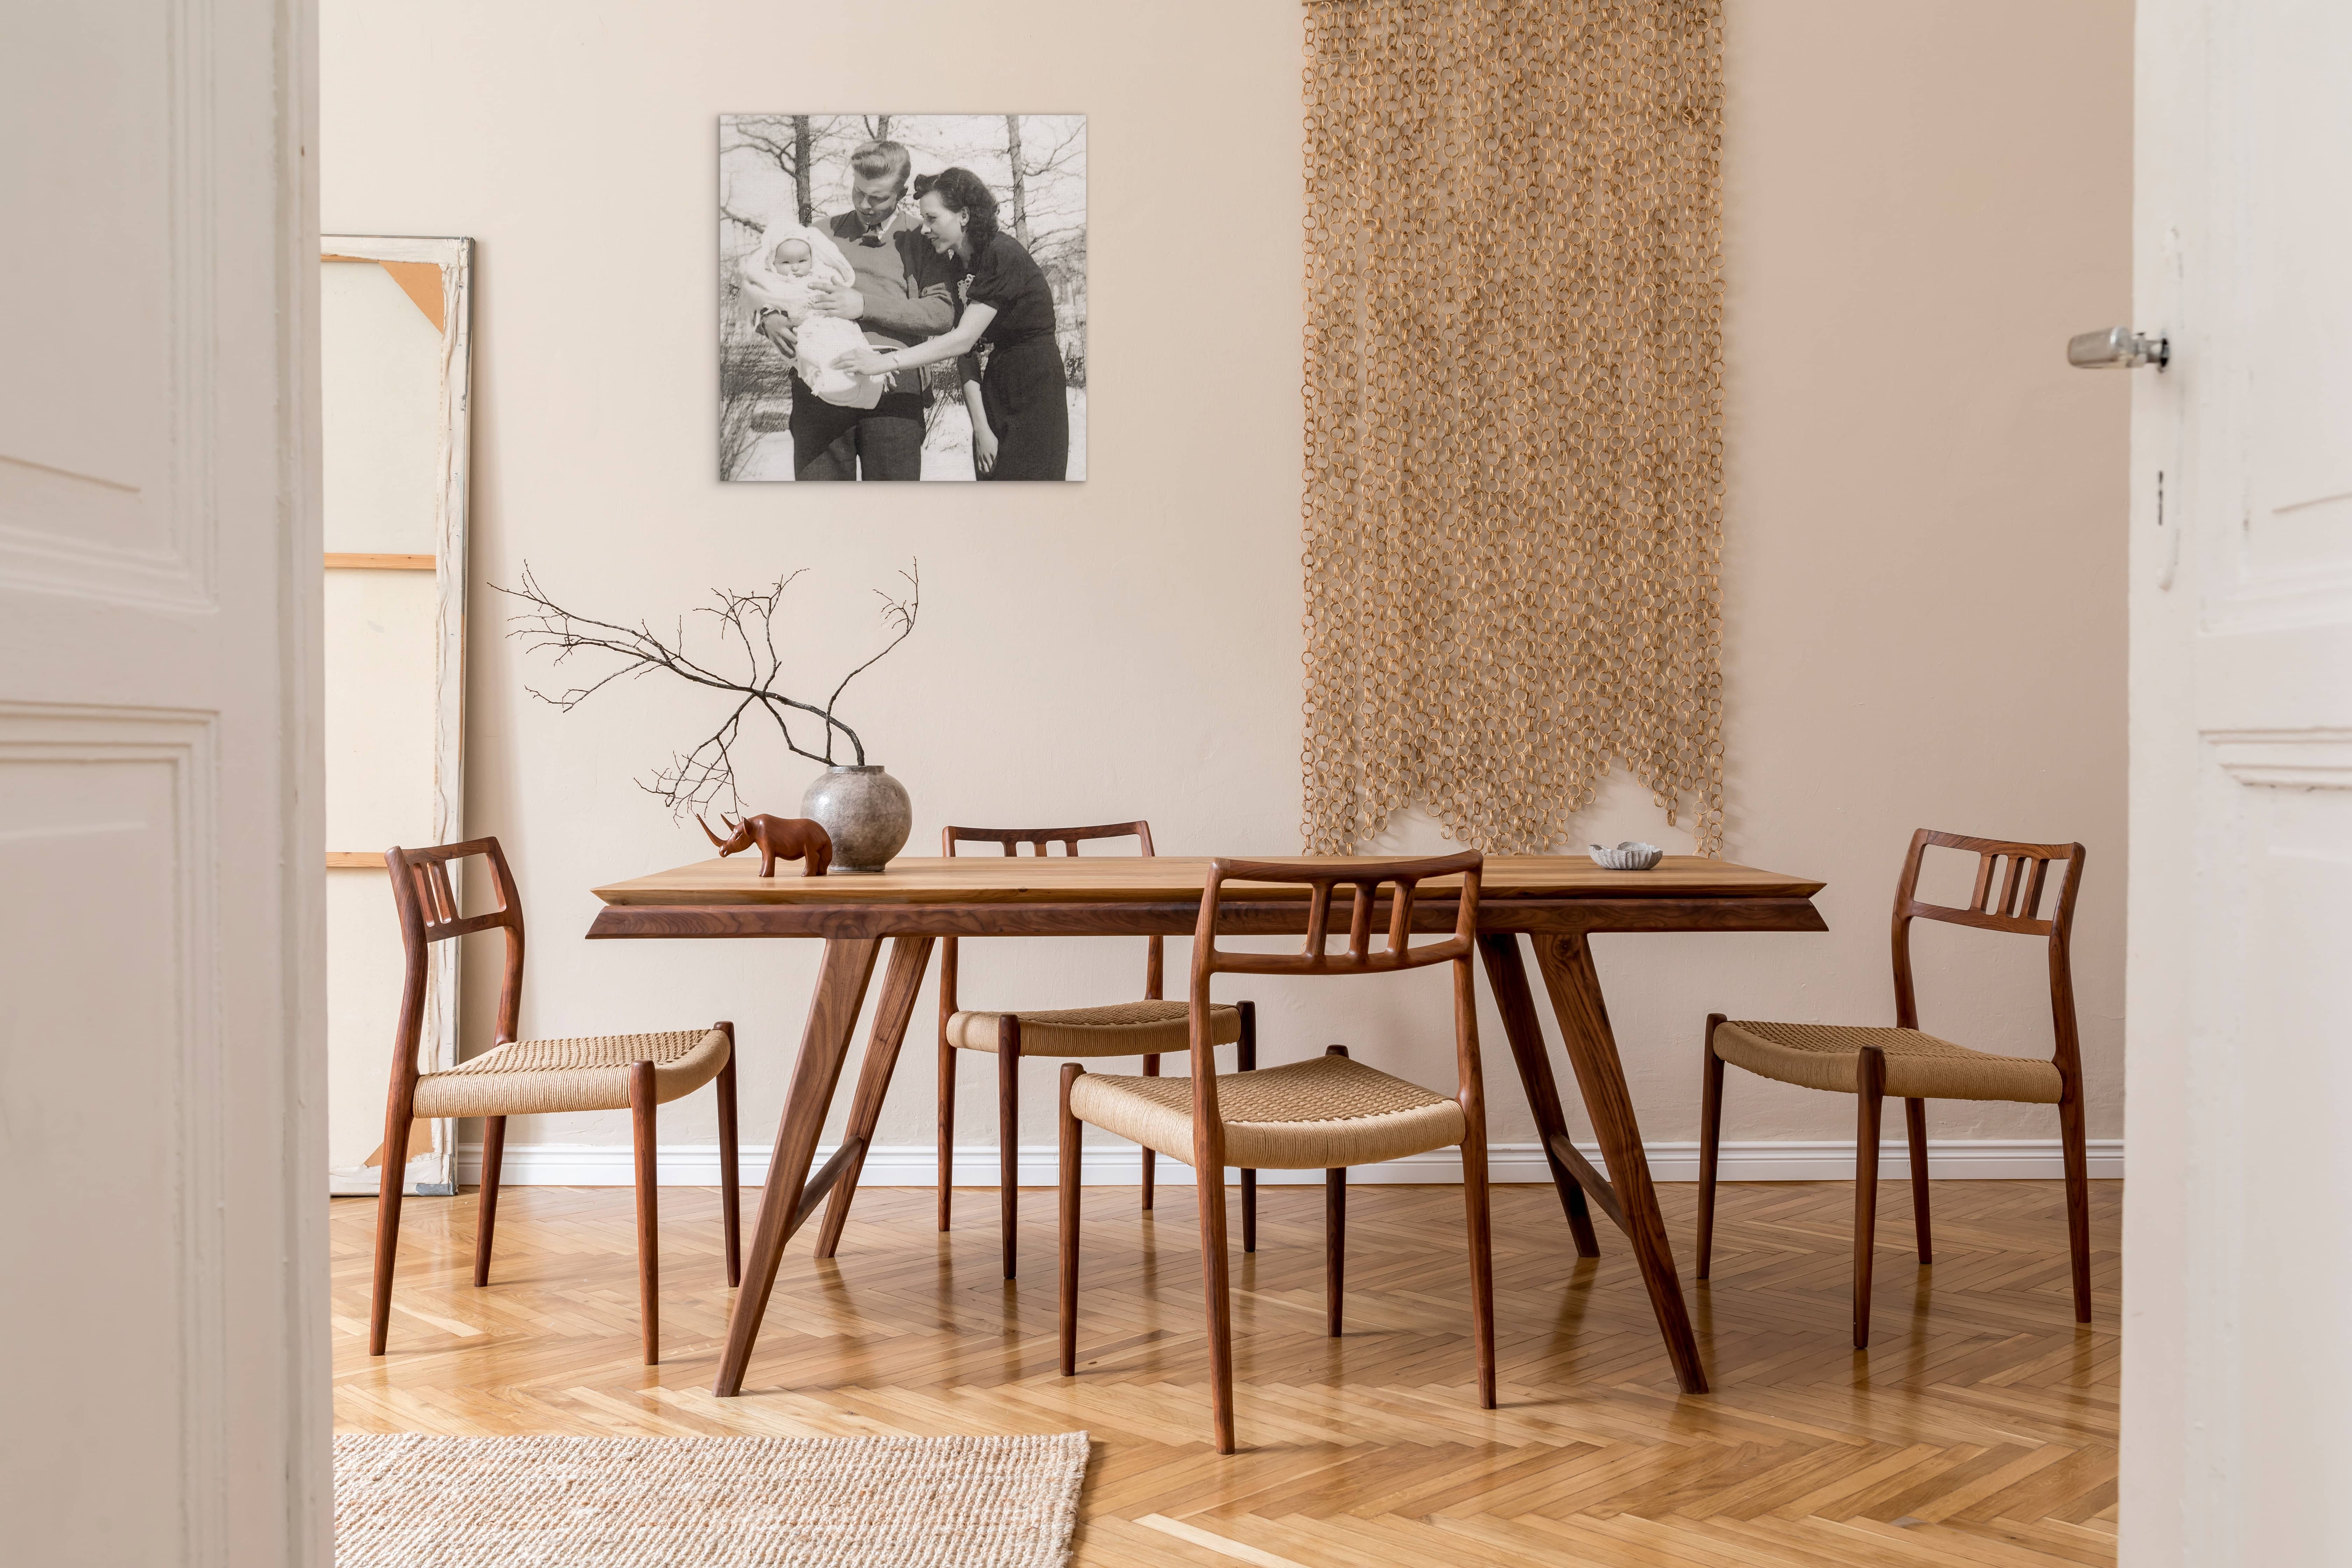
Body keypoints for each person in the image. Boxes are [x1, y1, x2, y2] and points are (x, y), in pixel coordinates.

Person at [832, 166, 1070, 481]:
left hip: (1036, 385)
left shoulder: (1002, 255)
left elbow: (961, 339)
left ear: (964, 216)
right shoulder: (958, 265)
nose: (924, 229)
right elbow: (966, 353)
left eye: (932, 219)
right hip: (996, 384)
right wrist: (982, 428)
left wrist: (883, 363)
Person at [757, 139, 955, 480]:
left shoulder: (923, 238)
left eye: (878, 197)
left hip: (894, 387)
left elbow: (942, 313)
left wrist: (863, 305)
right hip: (820, 383)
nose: (865, 204)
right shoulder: (818, 235)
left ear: (902, 192)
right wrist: (767, 317)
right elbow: (764, 282)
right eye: (859, 192)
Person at [739, 227, 882, 411]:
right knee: (813, 355)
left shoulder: (820, 274)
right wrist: (768, 319)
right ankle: (826, 380)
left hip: (833, 324)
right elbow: (757, 300)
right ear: (772, 263)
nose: (796, 267)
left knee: (849, 347)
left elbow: (838, 287)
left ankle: (866, 382)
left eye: (802, 261)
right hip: (805, 329)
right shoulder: (776, 283)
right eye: (786, 262)